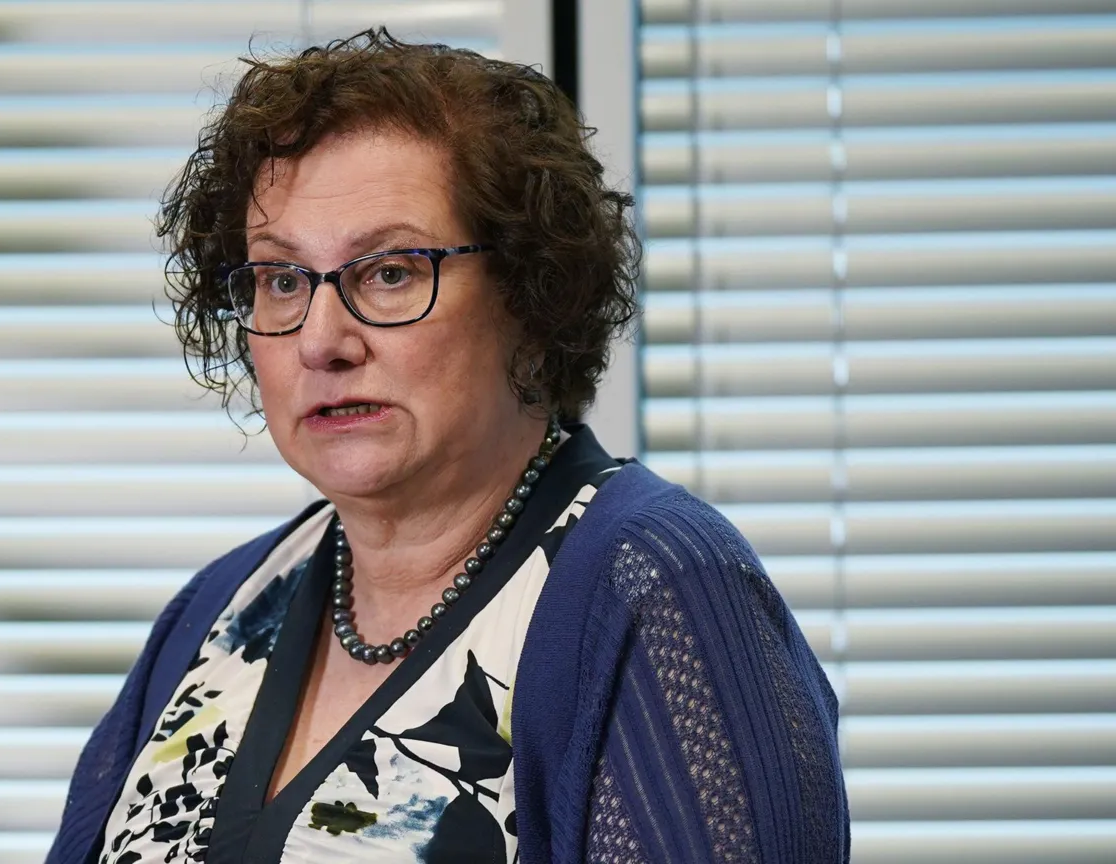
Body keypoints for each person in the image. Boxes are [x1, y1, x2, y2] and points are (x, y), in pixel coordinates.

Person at [48, 29, 848, 864]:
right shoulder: (220, 609)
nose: (321, 339)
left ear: (532, 294)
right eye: (282, 280)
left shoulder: (661, 593)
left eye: (389, 272)